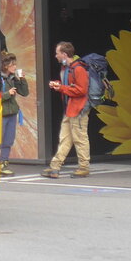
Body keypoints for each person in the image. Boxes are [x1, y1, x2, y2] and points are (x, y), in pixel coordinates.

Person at [41, 41, 90, 178]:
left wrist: (61, 88)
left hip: (78, 109)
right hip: (70, 109)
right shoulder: (68, 68)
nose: (55, 56)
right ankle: (55, 167)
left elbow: (82, 90)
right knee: (65, 139)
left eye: (57, 53)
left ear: (64, 54)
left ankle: (84, 167)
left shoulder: (78, 69)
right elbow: (71, 86)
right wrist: (59, 85)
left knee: (80, 139)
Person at [0, 51, 28, 177]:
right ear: (6, 66)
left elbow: (24, 93)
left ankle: (3, 164)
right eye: (13, 64)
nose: (15, 67)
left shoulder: (12, 78)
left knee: (8, 140)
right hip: (1, 114)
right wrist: (7, 94)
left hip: (12, 113)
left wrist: (22, 80)